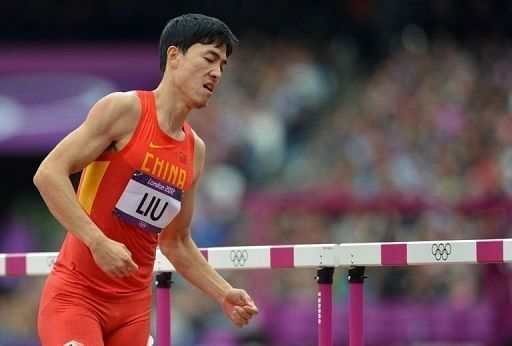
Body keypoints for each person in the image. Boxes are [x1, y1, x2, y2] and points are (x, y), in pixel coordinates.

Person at [34, 13, 259, 346]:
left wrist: (223, 293)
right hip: (76, 298)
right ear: (174, 56)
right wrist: (97, 242)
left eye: (223, 66)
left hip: (133, 311)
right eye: (210, 59)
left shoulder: (194, 149)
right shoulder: (126, 110)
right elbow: (48, 174)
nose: (216, 72)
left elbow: (176, 242)